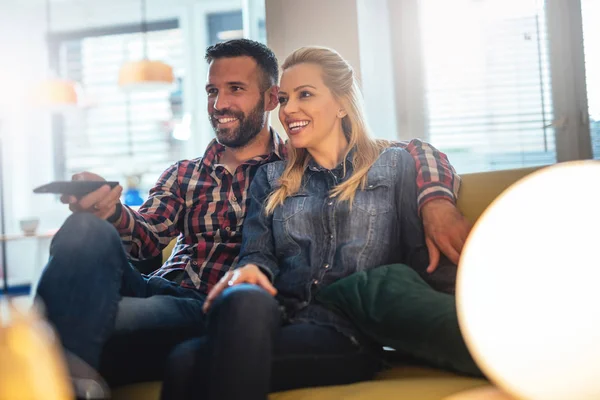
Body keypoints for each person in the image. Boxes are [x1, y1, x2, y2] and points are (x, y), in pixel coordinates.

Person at [35, 39, 469, 389]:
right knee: (84, 231)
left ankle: (54, 358)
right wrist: (110, 211)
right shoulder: (188, 173)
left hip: (213, 306)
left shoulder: (285, 171)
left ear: (266, 99)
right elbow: (146, 238)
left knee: (89, 319)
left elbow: (411, 153)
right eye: (212, 90)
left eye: (235, 89)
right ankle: (52, 375)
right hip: (163, 287)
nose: (219, 102)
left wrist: (435, 199)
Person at [159, 46, 463, 400]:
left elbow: (420, 259)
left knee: (187, 363)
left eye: (305, 95)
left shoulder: (393, 166)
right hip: (275, 316)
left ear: (341, 103)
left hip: (343, 330)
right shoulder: (270, 177)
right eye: (285, 98)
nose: (288, 110)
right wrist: (251, 270)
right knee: (236, 304)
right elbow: (257, 254)